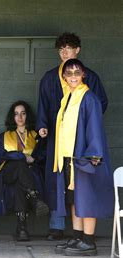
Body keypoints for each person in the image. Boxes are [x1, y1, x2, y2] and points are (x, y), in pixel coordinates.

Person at [36, 32, 108, 241]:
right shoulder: (50, 77)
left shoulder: (90, 80)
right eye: (61, 49)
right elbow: (43, 105)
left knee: (82, 187)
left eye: (69, 48)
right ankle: (58, 226)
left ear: (78, 50)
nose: (65, 52)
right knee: (59, 182)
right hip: (58, 141)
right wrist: (42, 125)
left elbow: (99, 105)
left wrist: (83, 123)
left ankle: (85, 238)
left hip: (82, 142)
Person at [51, 59, 113, 256]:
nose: (73, 76)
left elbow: (94, 127)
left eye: (77, 72)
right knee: (74, 199)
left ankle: (89, 240)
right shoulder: (67, 98)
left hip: (84, 157)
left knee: (86, 197)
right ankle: (77, 237)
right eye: (69, 73)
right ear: (64, 78)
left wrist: (93, 154)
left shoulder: (89, 98)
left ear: (83, 75)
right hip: (70, 156)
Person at [0, 101, 49, 241]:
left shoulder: (36, 136)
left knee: (20, 183)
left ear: (27, 116)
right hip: (7, 173)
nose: (19, 117)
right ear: (12, 117)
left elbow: (43, 156)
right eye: (16, 114)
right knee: (19, 164)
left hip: (27, 175)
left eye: (23, 113)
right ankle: (35, 197)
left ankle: (22, 228)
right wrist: (22, 156)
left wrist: (35, 160)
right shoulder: (3, 137)